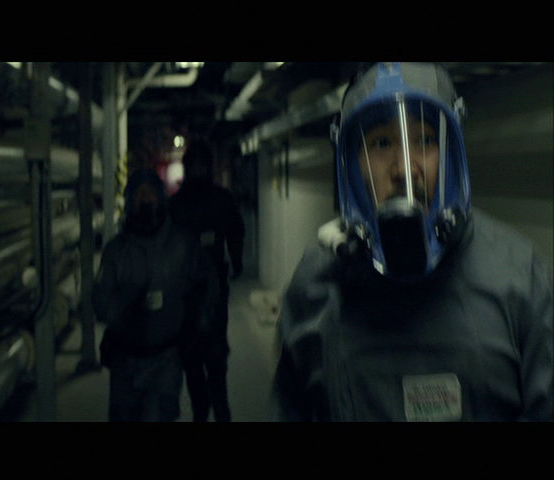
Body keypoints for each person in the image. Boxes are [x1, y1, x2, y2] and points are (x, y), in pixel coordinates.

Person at [269, 62, 553, 422]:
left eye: (425, 140)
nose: (404, 168)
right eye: (382, 143)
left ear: (450, 155)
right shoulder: (314, 285)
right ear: (353, 165)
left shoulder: (520, 277)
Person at [92, 168, 218, 422]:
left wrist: (198, 324)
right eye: (139, 194)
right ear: (129, 202)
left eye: (150, 193)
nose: (145, 199)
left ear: (161, 198)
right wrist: (126, 307)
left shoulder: (182, 245)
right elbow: (101, 302)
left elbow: (207, 285)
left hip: (165, 359)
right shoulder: (116, 251)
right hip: (125, 361)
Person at [169, 138, 245, 422]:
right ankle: (203, 409)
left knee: (214, 353)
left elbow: (235, 231)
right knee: (191, 355)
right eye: (195, 165)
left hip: (213, 289)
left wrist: (236, 260)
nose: (199, 170)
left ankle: (218, 408)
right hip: (185, 291)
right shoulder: (177, 205)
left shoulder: (216, 200)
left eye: (202, 165)